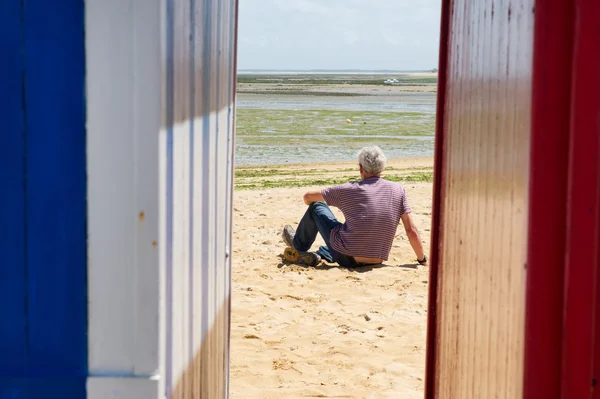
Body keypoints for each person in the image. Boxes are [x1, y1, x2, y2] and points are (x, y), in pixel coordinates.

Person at [281, 145, 427, 267]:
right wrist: (422, 260)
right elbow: (411, 230)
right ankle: (319, 256)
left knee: (317, 206)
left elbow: (308, 196)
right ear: (382, 168)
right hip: (377, 259)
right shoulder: (398, 190)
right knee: (345, 232)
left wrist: (310, 205)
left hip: (348, 258)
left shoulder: (350, 189)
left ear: (361, 168)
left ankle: (298, 247)